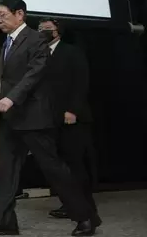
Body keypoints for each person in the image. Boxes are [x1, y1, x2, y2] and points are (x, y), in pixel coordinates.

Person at [0, 0, 97, 236]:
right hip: (10, 119)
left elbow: (34, 73)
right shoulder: (7, 42)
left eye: (3, 15)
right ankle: (4, 222)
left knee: (54, 169)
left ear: (20, 14)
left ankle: (86, 218)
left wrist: (11, 98)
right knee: (6, 172)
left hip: (33, 117)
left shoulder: (36, 40)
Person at [38, 18, 100, 223]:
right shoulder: (39, 54)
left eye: (47, 29)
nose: (43, 32)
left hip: (72, 118)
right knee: (59, 166)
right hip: (49, 119)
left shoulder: (72, 51)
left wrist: (72, 110)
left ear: (58, 32)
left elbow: (81, 83)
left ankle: (88, 209)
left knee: (75, 165)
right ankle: (70, 204)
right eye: (40, 29)